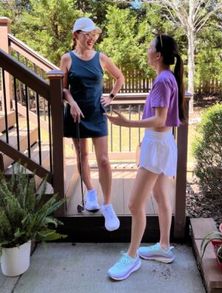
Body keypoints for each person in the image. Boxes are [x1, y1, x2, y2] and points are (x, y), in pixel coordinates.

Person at [106, 34, 186, 280]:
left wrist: (126, 122)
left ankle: (131, 257)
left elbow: (160, 120)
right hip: (162, 143)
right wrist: (145, 139)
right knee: (161, 196)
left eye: (150, 47)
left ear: (159, 55)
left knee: (133, 204)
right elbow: (163, 121)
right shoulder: (168, 77)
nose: (147, 49)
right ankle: (163, 247)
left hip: (158, 145)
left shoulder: (163, 80)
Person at [60, 17, 124, 231]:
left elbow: (119, 77)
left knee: (104, 160)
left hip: (97, 114)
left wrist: (111, 96)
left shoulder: (102, 58)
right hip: (76, 115)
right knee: (83, 156)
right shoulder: (66, 59)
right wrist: (72, 103)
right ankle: (90, 193)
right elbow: (63, 89)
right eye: (87, 34)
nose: (91, 38)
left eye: (94, 35)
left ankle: (107, 204)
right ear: (76, 35)